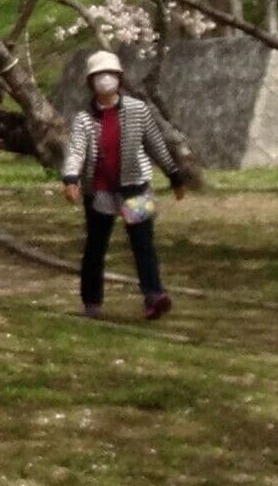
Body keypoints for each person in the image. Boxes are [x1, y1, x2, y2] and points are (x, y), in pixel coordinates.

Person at [60, 50, 191, 320]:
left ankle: (154, 296)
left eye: (109, 75)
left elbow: (155, 144)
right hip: (100, 192)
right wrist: (71, 178)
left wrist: (173, 174)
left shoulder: (137, 110)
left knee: (143, 242)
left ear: (120, 79)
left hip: (135, 187)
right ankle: (92, 301)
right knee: (96, 246)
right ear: (90, 81)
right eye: (98, 76)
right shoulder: (84, 118)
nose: (104, 81)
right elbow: (76, 150)